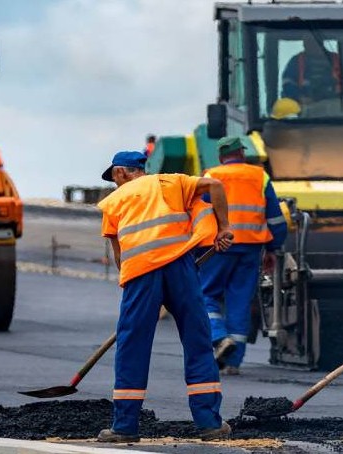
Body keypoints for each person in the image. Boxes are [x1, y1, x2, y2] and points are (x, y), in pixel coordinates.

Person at [96, 151, 234, 443]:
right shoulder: (171, 182)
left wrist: (136, 294)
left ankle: (124, 427)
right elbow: (217, 186)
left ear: (121, 172)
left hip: (141, 274)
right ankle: (210, 424)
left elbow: (119, 254)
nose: (114, 184)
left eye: (114, 178)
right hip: (180, 267)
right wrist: (224, 227)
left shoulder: (113, 202)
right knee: (197, 341)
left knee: (132, 345)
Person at [199, 137, 288, 375]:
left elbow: (199, 213)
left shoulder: (210, 175)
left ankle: (218, 338)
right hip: (251, 248)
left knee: (204, 294)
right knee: (239, 302)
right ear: (241, 153)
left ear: (221, 157)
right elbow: (276, 219)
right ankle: (233, 362)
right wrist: (273, 247)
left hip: (217, 246)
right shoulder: (260, 176)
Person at [280, 35, 343, 117]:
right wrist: (298, 97)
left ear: (321, 42)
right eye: (306, 41)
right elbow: (288, 84)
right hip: (306, 117)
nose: (307, 44)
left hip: (337, 110)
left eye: (312, 41)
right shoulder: (296, 61)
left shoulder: (337, 60)